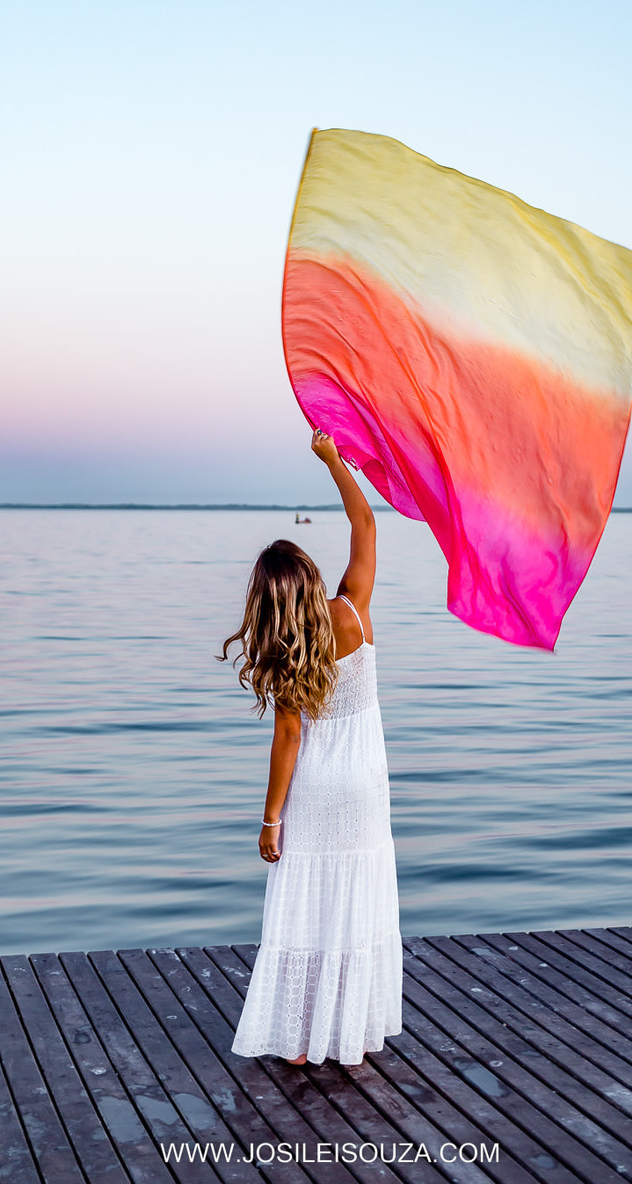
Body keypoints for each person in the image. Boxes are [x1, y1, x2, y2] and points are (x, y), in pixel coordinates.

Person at [222, 429, 402, 1066]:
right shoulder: (352, 613)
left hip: (317, 788)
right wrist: (334, 460)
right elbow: (366, 525)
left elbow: (287, 741)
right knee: (353, 902)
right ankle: (347, 1032)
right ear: (312, 578)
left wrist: (271, 819)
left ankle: (299, 1043)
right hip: (365, 782)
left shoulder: (283, 651)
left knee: (307, 907)